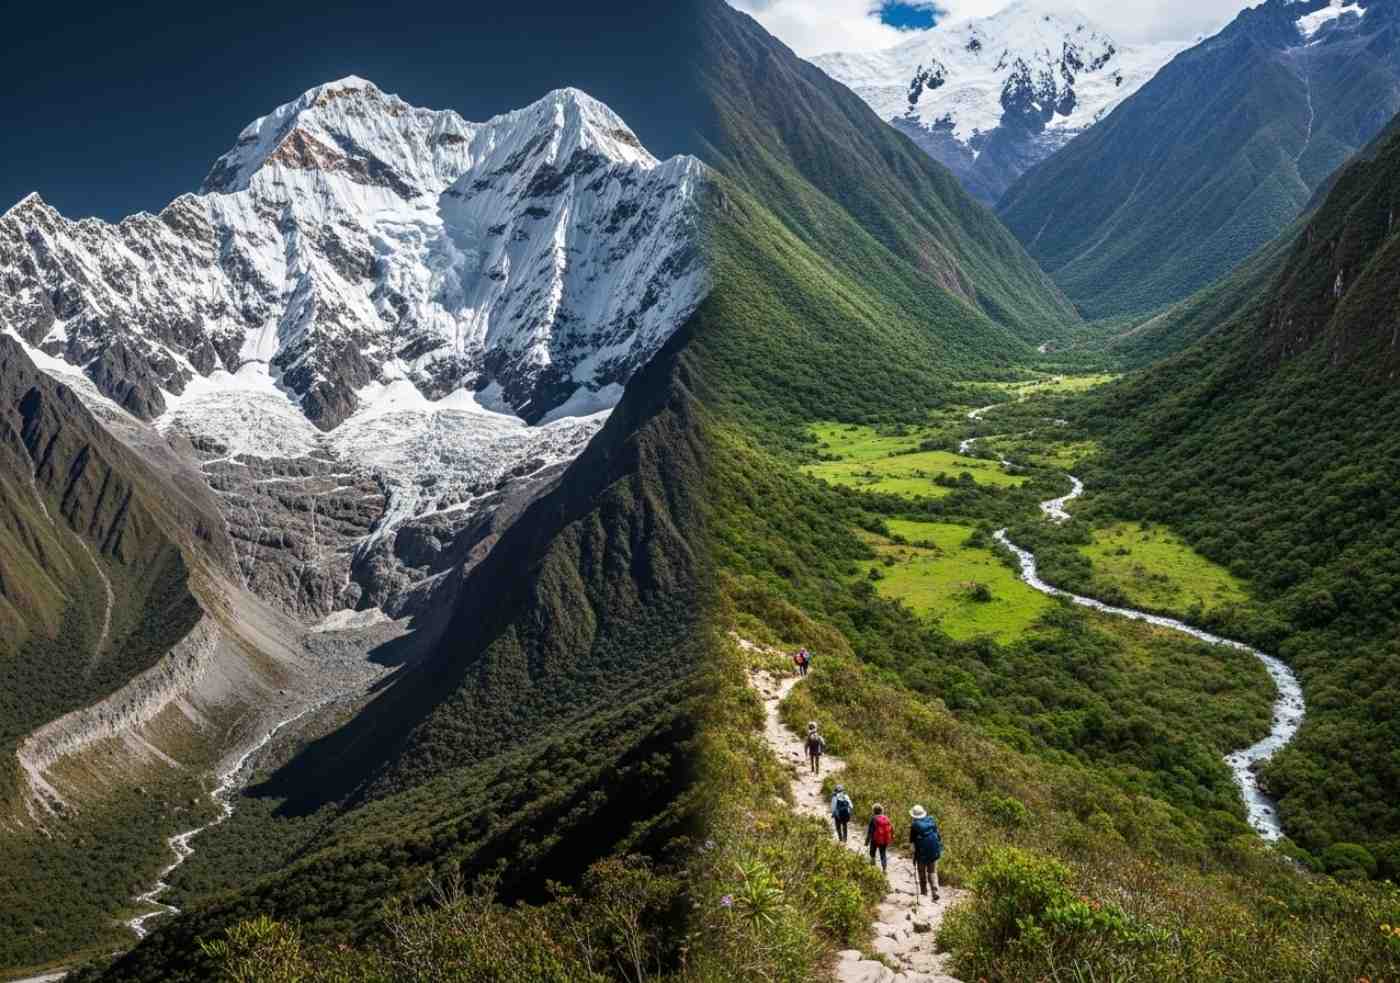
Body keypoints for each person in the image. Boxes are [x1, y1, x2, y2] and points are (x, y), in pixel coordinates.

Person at [909, 805, 943, 901]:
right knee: (932, 871)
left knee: (921, 871)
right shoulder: (931, 821)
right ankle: (935, 891)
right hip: (933, 851)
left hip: (922, 853)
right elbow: (938, 836)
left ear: (914, 816)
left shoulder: (914, 826)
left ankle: (924, 892)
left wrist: (913, 854)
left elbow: (912, 844)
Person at [865, 803, 892, 871]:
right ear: (881, 810)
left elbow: (870, 831)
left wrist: (867, 841)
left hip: (875, 839)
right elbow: (891, 828)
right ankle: (884, 868)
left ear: (874, 811)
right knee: (883, 853)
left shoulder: (873, 818)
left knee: (872, 852)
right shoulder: (886, 818)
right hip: (884, 839)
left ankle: (873, 866)